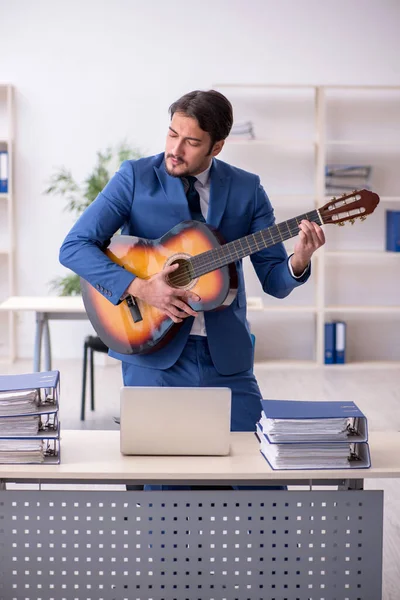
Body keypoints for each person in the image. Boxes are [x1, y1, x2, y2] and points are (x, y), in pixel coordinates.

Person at [59, 89, 325, 437]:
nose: (175, 149)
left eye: (191, 142)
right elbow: (74, 247)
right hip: (152, 354)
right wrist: (141, 288)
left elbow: (275, 281)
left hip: (226, 357)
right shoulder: (135, 178)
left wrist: (300, 260)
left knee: (257, 477)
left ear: (217, 146)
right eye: (172, 134)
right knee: (162, 481)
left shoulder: (248, 189)